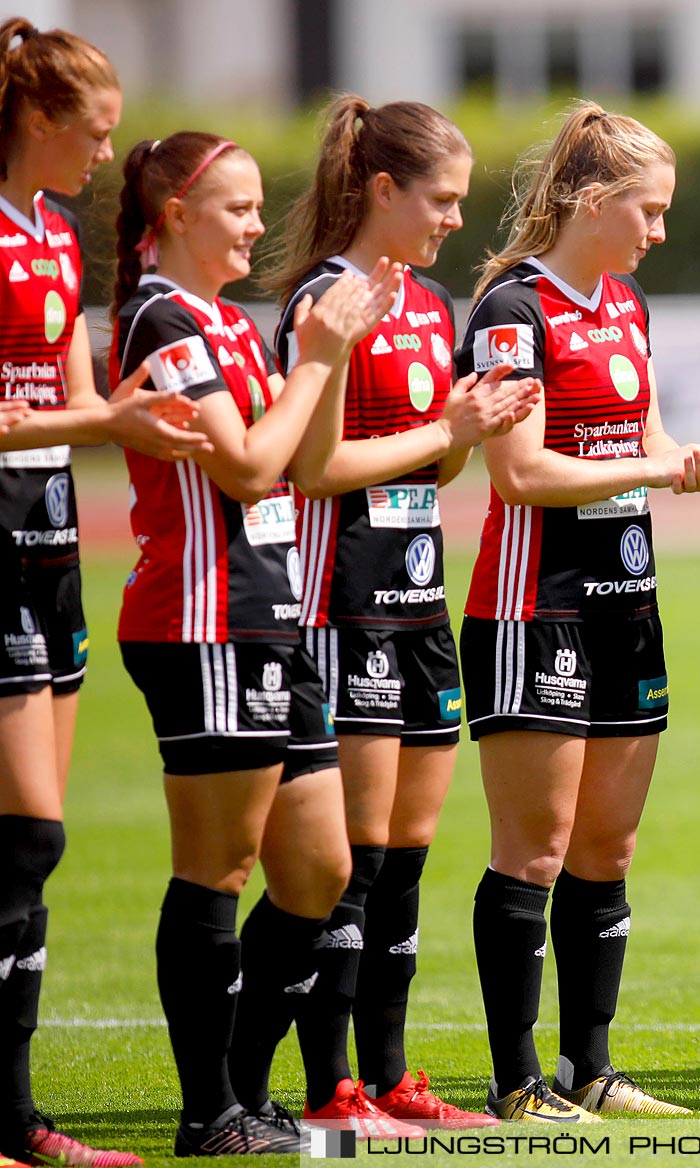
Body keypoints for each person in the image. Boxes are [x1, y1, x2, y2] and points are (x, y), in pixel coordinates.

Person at [111, 131, 398, 1154]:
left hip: (271, 613)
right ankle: (210, 1112)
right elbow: (245, 468)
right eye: (233, 207)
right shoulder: (161, 318)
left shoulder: (230, 324)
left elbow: (294, 464)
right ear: (175, 214)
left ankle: (239, 1088)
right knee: (218, 870)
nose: (254, 223)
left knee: (318, 870)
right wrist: (320, 358)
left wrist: (324, 360)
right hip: (201, 620)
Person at [459, 101, 700, 1123]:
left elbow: (645, 438)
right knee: (532, 850)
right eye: (649, 211)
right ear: (589, 198)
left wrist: (680, 462)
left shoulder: (625, 306)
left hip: (629, 602)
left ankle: (591, 1068)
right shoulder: (510, 310)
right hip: (537, 609)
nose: (659, 233)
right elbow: (522, 473)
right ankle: (515, 1082)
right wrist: (658, 466)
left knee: (607, 851)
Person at [267, 95, 536, 1133]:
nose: (456, 220)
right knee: (359, 857)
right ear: (382, 189)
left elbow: (442, 461)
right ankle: (331, 1090)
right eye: (442, 199)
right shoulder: (328, 302)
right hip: (346, 606)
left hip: (419, 605)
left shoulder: (428, 305)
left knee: (411, 853)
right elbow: (315, 466)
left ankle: (391, 1080)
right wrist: (447, 422)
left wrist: (466, 427)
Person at [0, 20, 210, 1168]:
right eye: (94, 131)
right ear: (36, 117)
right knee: (21, 838)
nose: (104, 153)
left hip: (49, 546)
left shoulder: (53, 237)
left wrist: (155, 422)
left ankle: (20, 1118)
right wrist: (108, 418)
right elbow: (61, 414)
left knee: (38, 841)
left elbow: (80, 404)